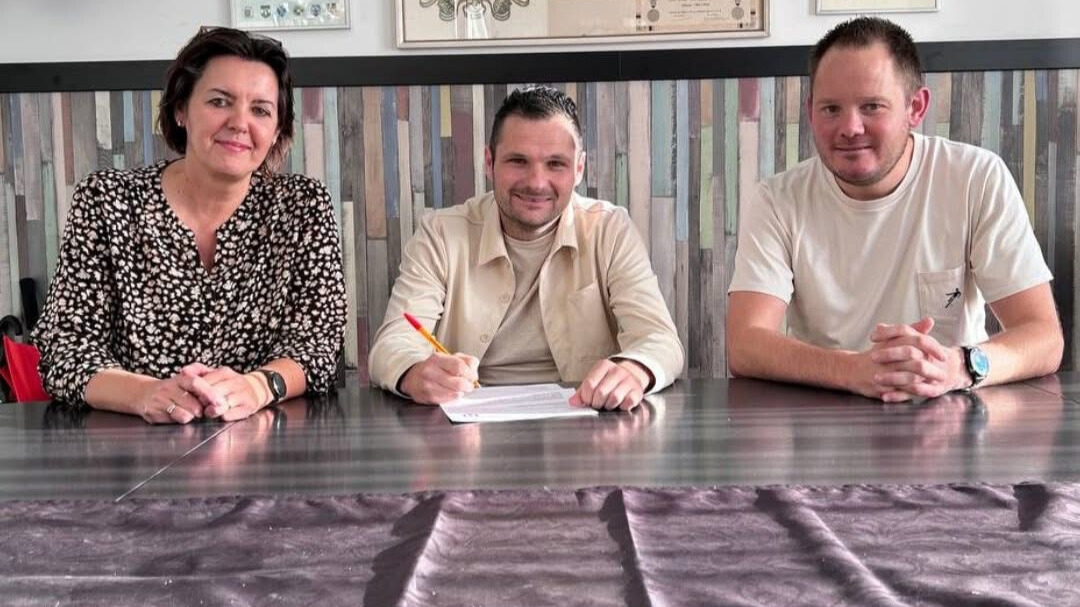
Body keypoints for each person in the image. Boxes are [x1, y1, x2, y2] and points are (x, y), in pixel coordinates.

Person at [727, 17, 1062, 402]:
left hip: (952, 409)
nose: (850, 127)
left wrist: (957, 367)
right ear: (810, 111)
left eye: (871, 106)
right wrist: (852, 370)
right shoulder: (777, 199)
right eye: (831, 109)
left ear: (915, 107)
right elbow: (745, 343)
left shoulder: (975, 177)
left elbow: (1043, 337)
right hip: (825, 411)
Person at [32, 27, 347, 424]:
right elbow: (65, 348)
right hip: (129, 442)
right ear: (181, 109)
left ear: (277, 131)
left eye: (261, 110)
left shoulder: (303, 206)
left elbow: (319, 344)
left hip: (265, 438)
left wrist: (258, 386)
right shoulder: (107, 199)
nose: (240, 123)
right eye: (219, 101)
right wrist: (144, 394)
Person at [368, 86, 684, 410]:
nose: (536, 182)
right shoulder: (440, 233)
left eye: (555, 163)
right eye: (518, 161)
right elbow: (393, 343)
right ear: (489, 162)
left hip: (582, 420)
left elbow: (660, 340)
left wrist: (634, 370)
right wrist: (415, 373)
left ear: (579, 168)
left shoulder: (610, 230)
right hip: (467, 423)